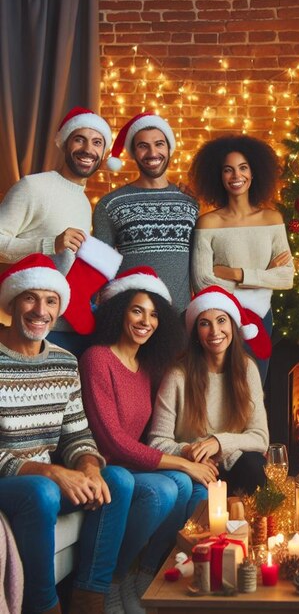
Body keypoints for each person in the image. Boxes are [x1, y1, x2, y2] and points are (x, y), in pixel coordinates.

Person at [0, 254, 134, 614]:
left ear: (59, 308)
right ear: (12, 301)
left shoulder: (64, 361)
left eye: (51, 300)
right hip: (16, 484)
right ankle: (42, 605)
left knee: (117, 481)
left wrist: (88, 467)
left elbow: (77, 435)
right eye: (30, 297)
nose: (40, 309)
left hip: (41, 484)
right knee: (42, 490)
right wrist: (49, 471)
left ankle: (90, 598)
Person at [79, 267, 214, 613]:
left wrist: (193, 451)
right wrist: (182, 462)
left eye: (154, 314)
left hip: (134, 465)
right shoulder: (98, 359)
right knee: (166, 489)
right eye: (137, 310)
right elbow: (112, 442)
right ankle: (114, 579)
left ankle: (144, 573)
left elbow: (157, 432)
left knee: (184, 486)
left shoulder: (146, 367)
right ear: (119, 310)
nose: (146, 321)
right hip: (102, 465)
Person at [0, 107, 112, 352]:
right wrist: (50, 243)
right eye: (79, 139)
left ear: (103, 153)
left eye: (96, 142)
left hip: (73, 325)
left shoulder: (83, 202)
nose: (88, 149)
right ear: (65, 143)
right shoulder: (33, 186)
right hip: (36, 325)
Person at [189, 135, 294, 383]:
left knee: (255, 387)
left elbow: (286, 275)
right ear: (219, 176)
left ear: (254, 172)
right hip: (221, 317)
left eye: (243, 168)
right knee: (220, 387)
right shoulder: (208, 223)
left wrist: (236, 274)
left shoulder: (272, 219)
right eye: (228, 170)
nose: (236, 176)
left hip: (262, 315)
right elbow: (202, 280)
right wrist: (262, 276)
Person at [148, 285, 271, 495]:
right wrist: (188, 450)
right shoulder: (178, 375)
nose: (215, 331)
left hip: (233, 461)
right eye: (205, 324)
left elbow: (260, 437)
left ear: (232, 325)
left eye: (221, 320)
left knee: (255, 464)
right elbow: (156, 442)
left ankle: (254, 526)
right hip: (193, 465)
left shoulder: (247, 368)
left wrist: (218, 443)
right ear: (196, 332)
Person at [94, 113, 199, 313]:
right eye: (143, 146)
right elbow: (99, 268)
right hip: (129, 316)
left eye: (159, 144)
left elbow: (198, 264)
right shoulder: (110, 204)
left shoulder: (190, 202)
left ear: (169, 149)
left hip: (179, 317)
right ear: (133, 152)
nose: (152, 153)